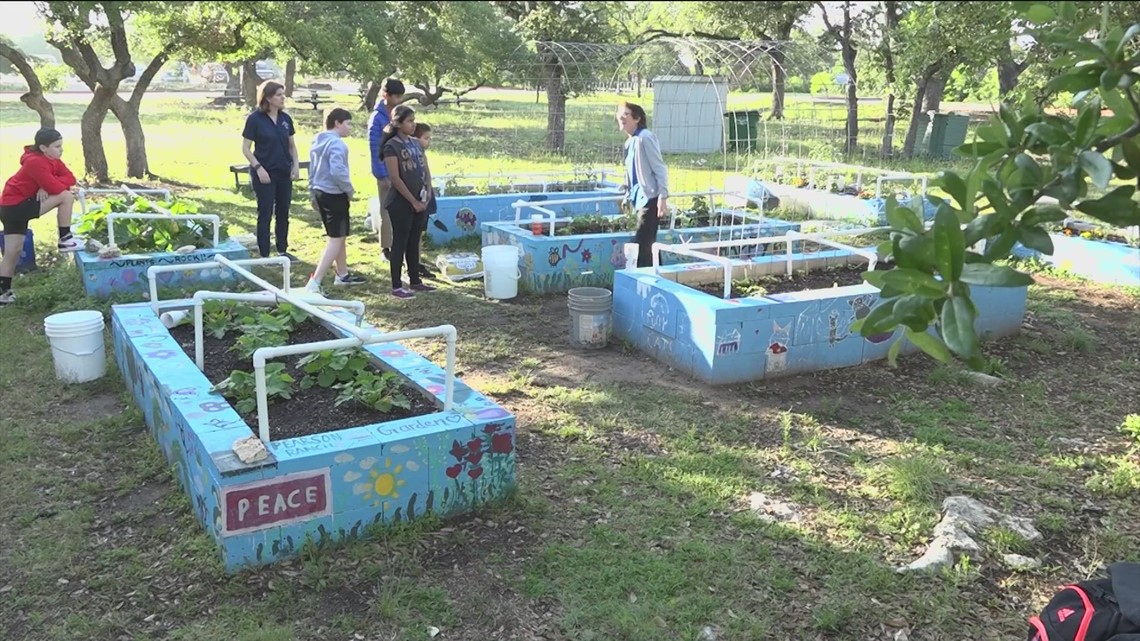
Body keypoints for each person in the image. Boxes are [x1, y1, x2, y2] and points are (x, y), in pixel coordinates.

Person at [0, 128, 81, 305]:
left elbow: (70, 177)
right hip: (14, 205)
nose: (61, 150)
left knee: (13, 251)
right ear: (43, 148)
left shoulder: (53, 160)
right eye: (57, 146)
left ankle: (3, 293)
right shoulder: (35, 162)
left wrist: (45, 184)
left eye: (62, 146)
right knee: (66, 196)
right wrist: (48, 184)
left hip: (16, 204)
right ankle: (65, 237)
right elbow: (57, 189)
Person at [304, 107, 367, 294]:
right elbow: (337, 171)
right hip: (334, 195)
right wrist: (349, 190)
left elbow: (313, 169)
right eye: (348, 124)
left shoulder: (317, 140)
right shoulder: (338, 145)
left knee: (339, 236)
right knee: (335, 239)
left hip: (320, 192)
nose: (350, 128)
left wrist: (312, 192)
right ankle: (315, 281)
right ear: (337, 123)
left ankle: (342, 274)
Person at [241, 80, 300, 261]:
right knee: (265, 212)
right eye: (279, 95)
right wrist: (258, 168)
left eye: (283, 94)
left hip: (283, 171)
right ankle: (265, 253)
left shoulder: (285, 119)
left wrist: (295, 165)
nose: (283, 98)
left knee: (283, 211)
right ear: (268, 98)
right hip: (264, 172)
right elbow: (245, 148)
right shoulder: (255, 119)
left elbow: (292, 146)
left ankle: (282, 250)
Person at [380, 105, 435, 299]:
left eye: (414, 120)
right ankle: (396, 285)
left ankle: (415, 280)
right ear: (398, 123)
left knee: (414, 241)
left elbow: (425, 169)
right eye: (409, 121)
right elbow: (395, 178)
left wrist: (427, 192)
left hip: (420, 200)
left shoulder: (415, 143)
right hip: (401, 203)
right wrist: (413, 201)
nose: (413, 124)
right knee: (400, 242)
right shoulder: (391, 146)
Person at [617, 101, 669, 268]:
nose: (621, 117)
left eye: (626, 114)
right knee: (648, 243)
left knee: (640, 242)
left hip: (650, 198)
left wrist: (663, 196)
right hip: (639, 198)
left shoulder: (645, 137)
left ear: (637, 118)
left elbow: (659, 167)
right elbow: (631, 173)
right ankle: (659, 276)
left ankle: (639, 277)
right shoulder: (630, 142)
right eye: (620, 114)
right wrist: (626, 195)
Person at [366, 78, 406, 258]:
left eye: (400, 96)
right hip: (385, 172)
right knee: (387, 209)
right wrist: (383, 175)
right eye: (396, 96)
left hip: (401, 169)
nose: (399, 100)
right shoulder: (377, 118)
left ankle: (401, 242)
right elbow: (375, 148)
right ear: (386, 95)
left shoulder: (398, 114)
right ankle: (386, 247)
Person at [412, 122, 436, 279]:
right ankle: (413, 264)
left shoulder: (421, 153)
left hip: (425, 195)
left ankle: (417, 262)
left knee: (419, 234)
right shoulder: (414, 154)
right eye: (426, 138)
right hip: (417, 197)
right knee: (414, 235)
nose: (429, 142)